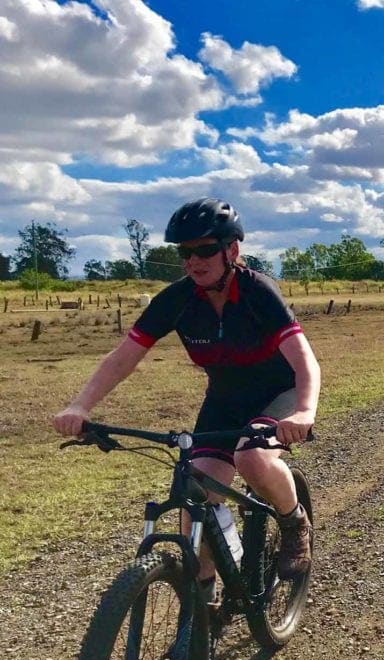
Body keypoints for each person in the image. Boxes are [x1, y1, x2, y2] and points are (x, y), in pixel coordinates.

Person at [53, 198, 321, 590]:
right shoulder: (177, 300)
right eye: (186, 252)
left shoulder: (257, 292)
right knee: (197, 495)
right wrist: (80, 405)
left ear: (232, 250)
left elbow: (304, 360)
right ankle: (205, 595)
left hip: (278, 393)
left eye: (206, 249)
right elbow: (122, 358)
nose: (195, 260)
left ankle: (294, 519)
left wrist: (303, 411)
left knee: (252, 458)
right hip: (225, 400)